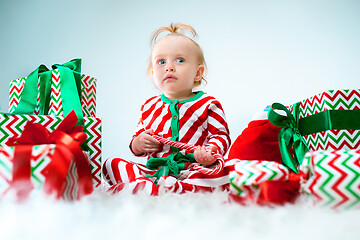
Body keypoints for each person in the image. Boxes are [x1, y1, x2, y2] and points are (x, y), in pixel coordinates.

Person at [102, 23, 232, 195]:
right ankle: (148, 185)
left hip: (192, 169)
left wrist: (210, 152)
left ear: (198, 73)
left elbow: (221, 135)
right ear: (153, 72)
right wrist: (138, 144)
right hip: (156, 171)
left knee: (226, 172)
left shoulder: (208, 104)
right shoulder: (149, 107)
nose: (169, 67)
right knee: (111, 163)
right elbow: (137, 139)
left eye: (180, 60)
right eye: (161, 62)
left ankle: (172, 188)